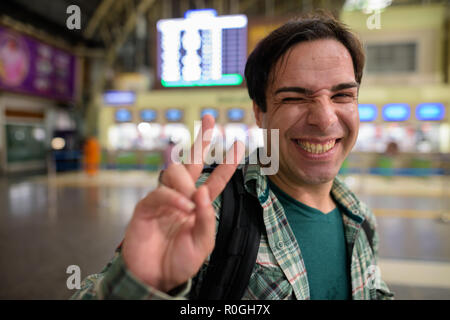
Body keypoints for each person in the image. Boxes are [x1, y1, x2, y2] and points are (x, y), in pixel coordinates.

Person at [72, 11, 394, 300]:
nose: (325, 119)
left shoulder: (361, 219)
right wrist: (142, 283)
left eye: (342, 94)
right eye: (295, 97)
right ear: (259, 112)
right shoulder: (206, 210)